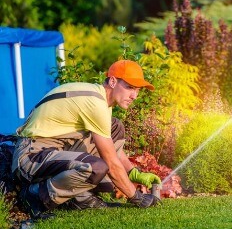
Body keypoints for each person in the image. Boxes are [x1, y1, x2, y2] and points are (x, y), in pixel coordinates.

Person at [12, 60, 162, 219]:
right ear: (112, 81)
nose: (134, 96)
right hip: (31, 158)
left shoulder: (100, 99)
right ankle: (34, 196)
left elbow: (111, 149)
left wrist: (133, 173)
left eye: (137, 90)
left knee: (115, 128)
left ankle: (79, 200)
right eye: (129, 87)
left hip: (53, 150)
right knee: (96, 169)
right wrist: (136, 197)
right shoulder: (95, 102)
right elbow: (110, 163)